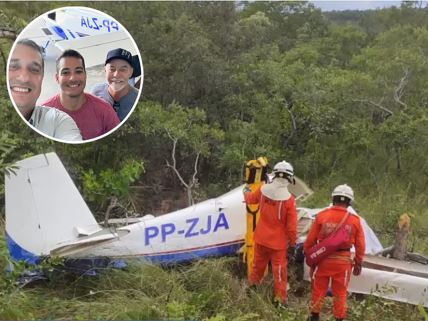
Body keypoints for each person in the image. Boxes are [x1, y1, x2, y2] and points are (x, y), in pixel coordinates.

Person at [304, 184, 366, 321]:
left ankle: (314, 316)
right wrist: (358, 262)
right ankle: (339, 318)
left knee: (318, 289)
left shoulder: (322, 216)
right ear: (349, 202)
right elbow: (360, 245)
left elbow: (309, 241)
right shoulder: (355, 220)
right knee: (341, 292)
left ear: (333, 198)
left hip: (323, 259)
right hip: (343, 262)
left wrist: (312, 258)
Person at [244, 160, 297, 308]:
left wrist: (246, 190)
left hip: (260, 238)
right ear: (289, 178)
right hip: (278, 244)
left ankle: (252, 288)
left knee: (258, 266)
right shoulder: (289, 200)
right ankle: (279, 300)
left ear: (274, 175)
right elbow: (291, 228)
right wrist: (293, 244)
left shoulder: (262, 189)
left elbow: (249, 199)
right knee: (279, 272)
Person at [8, 39, 82, 141]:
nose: (24, 78)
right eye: (13, 67)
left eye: (34, 69)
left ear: (42, 77)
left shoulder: (58, 121)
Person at [42, 49, 120, 140]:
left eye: (78, 71)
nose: (73, 78)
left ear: (85, 75)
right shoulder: (43, 116)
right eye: (66, 72)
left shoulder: (104, 111)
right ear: (57, 78)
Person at [91, 48, 139, 121]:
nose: (116, 75)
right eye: (112, 69)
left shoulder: (137, 99)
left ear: (131, 72)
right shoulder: (96, 92)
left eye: (123, 69)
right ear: (105, 70)